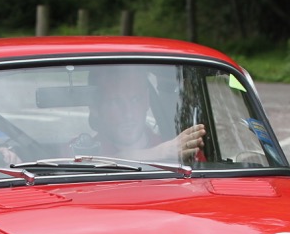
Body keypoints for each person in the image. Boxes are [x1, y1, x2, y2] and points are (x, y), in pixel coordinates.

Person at [74, 66, 206, 163]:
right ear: (95, 108)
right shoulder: (76, 151)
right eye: (115, 102)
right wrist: (159, 153)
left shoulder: (182, 149)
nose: (128, 113)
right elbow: (84, 166)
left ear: (147, 100)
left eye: (135, 99)